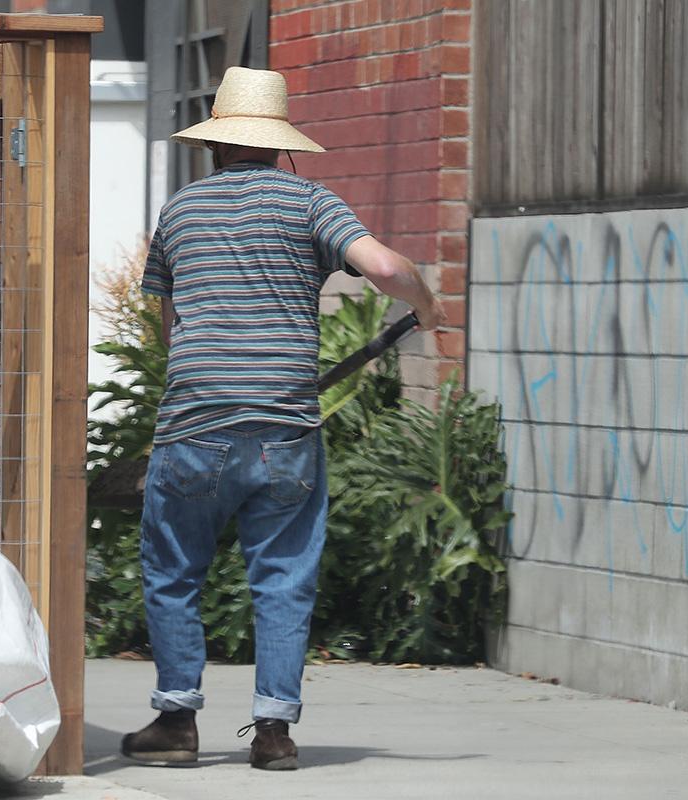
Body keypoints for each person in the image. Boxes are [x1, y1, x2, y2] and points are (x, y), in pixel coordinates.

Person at [121, 66, 445, 771]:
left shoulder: (180, 211)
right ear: (281, 145)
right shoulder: (310, 203)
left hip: (195, 425)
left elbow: (171, 332)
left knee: (174, 571)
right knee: (283, 576)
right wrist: (426, 304)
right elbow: (386, 270)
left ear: (214, 143)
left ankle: (176, 722)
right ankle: (273, 734)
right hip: (284, 431)